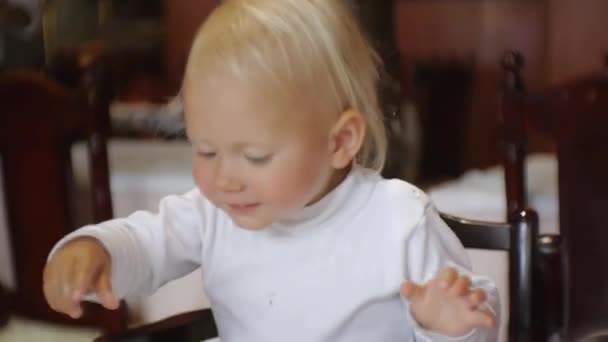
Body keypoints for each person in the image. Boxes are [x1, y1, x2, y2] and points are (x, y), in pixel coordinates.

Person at [43, 0, 499, 340]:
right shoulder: (215, 211)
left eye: (255, 156)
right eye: (205, 150)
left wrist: (446, 323)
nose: (225, 178)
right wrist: (95, 251)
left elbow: (479, 316)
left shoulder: (397, 220)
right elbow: (146, 243)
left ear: (339, 142)